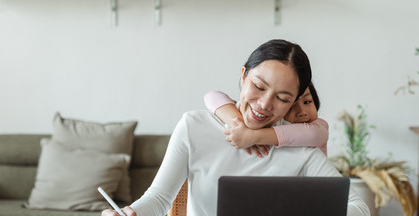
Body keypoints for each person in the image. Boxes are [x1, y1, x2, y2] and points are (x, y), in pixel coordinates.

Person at [102, 39, 370, 216]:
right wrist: (130, 212)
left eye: (282, 98)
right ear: (243, 76)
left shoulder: (300, 148)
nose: (264, 104)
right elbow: (159, 200)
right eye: (259, 86)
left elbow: (359, 207)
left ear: (294, 103)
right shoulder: (194, 127)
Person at [203, 82, 328, 157]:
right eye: (291, 107)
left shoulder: (319, 127)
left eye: (307, 102)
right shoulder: (272, 124)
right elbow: (212, 96)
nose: (302, 113)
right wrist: (239, 125)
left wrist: (252, 136)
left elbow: (312, 134)